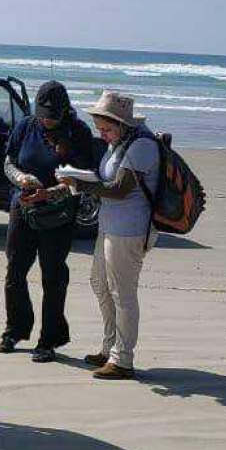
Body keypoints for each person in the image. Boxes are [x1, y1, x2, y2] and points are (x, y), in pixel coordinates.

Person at [59, 91, 160, 380]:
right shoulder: (120, 142)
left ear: (121, 124)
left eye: (106, 129)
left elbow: (120, 188)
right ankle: (109, 347)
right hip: (110, 225)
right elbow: (109, 181)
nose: (101, 134)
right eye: (99, 129)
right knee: (100, 284)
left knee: (122, 294)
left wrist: (82, 184)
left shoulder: (141, 145)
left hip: (130, 230)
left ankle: (123, 360)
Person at [0, 80, 94, 362]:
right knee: (15, 271)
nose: (46, 120)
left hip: (59, 213)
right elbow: (8, 161)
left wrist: (50, 192)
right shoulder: (26, 126)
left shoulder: (78, 132)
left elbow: (84, 179)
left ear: (64, 111)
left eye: (52, 116)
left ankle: (49, 339)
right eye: (43, 114)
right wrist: (21, 179)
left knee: (52, 276)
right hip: (23, 207)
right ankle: (15, 329)